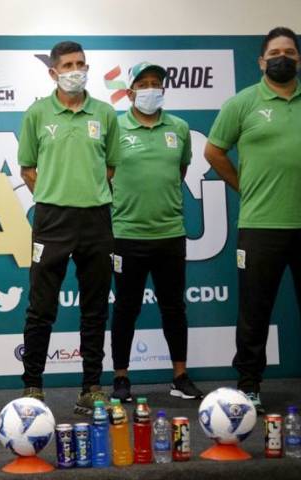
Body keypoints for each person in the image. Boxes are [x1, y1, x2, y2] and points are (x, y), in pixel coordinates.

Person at [18, 41, 120, 415]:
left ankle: (91, 387)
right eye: (68, 65)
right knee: (40, 307)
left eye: (81, 64)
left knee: (95, 307)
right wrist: (55, 193)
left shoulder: (105, 113)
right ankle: (32, 386)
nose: (76, 70)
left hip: (96, 219)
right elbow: (27, 168)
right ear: (53, 72)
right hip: (52, 220)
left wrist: (85, 192)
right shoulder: (37, 113)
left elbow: (110, 167)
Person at [205, 26, 301, 414]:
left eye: (290, 52)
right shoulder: (242, 103)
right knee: (254, 312)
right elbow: (213, 152)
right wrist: (244, 187)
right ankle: (249, 385)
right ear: (261, 62)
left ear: (299, 59)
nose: (283, 58)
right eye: (275, 53)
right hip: (261, 225)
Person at [109, 62, 203, 403]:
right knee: (125, 308)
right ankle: (121, 378)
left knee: (174, 307)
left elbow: (180, 170)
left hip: (170, 234)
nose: (150, 88)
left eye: (156, 83)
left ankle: (180, 376)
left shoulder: (179, 127)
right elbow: (105, 173)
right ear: (130, 91)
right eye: (143, 83)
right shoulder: (115, 127)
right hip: (126, 234)